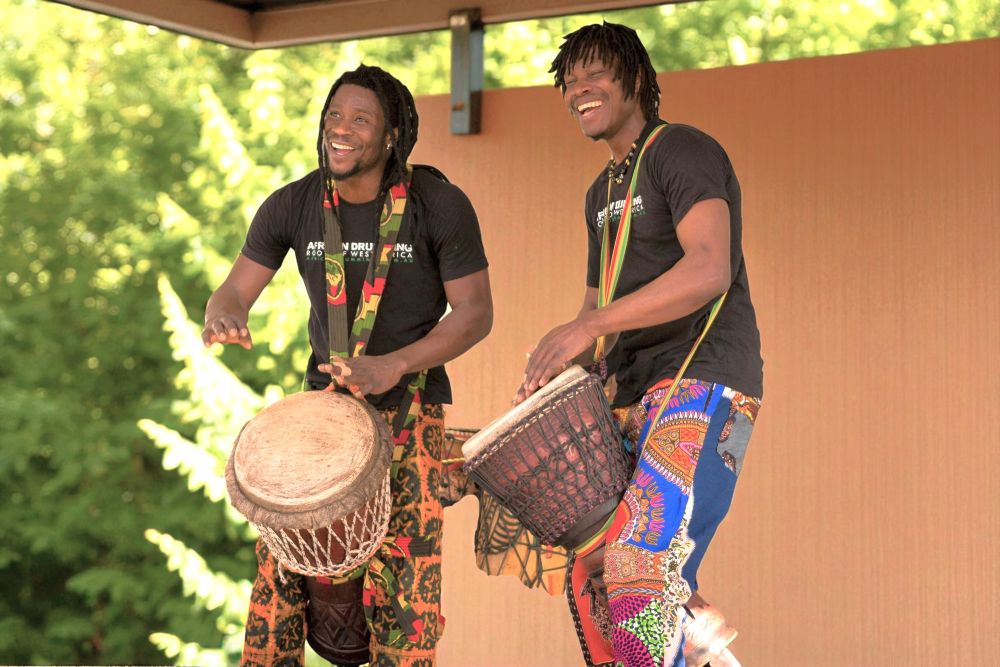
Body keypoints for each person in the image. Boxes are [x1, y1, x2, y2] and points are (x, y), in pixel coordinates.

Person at [203, 64, 492, 667]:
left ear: (391, 137)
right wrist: (224, 314)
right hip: (323, 421)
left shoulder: (437, 204)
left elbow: (474, 314)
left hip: (412, 414)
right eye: (335, 115)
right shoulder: (295, 202)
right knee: (278, 576)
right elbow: (233, 291)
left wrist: (395, 365)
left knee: (406, 590)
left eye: (361, 119)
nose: (342, 129)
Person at [517, 22, 763, 667]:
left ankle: (693, 637)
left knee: (635, 565)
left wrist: (588, 328)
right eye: (568, 82)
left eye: (594, 75)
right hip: (633, 390)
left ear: (635, 79)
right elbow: (597, 311)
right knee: (596, 576)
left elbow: (710, 266)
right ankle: (698, 642)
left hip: (705, 383)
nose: (578, 91)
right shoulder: (600, 192)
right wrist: (555, 376)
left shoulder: (681, 150)